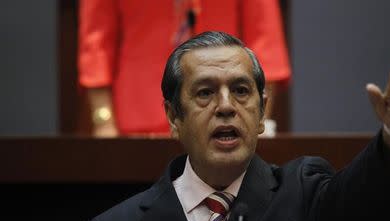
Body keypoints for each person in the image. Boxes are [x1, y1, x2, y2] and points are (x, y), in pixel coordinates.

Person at [74, 31, 390, 221]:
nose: (225, 106)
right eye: (205, 93)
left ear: (261, 108)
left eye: (241, 90)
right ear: (174, 116)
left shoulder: (304, 197)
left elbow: (367, 196)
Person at [78, 0, 291, 137]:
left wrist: (258, 124)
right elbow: (97, 44)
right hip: (137, 123)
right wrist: (104, 123)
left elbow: (265, 43)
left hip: (226, 120)